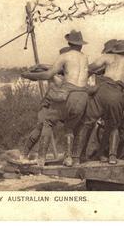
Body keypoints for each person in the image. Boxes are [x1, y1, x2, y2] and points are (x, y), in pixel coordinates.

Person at [21, 30, 89, 167]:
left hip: (68, 93)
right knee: (69, 127)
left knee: (48, 122)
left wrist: (29, 75)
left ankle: (40, 158)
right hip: (82, 96)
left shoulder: (64, 56)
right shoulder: (84, 58)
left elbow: (48, 74)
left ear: (69, 43)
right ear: (81, 45)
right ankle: (69, 157)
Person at [72, 39, 124, 165]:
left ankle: (76, 158)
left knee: (87, 122)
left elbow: (89, 68)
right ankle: (112, 156)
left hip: (102, 90)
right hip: (117, 93)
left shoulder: (108, 57)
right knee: (114, 126)